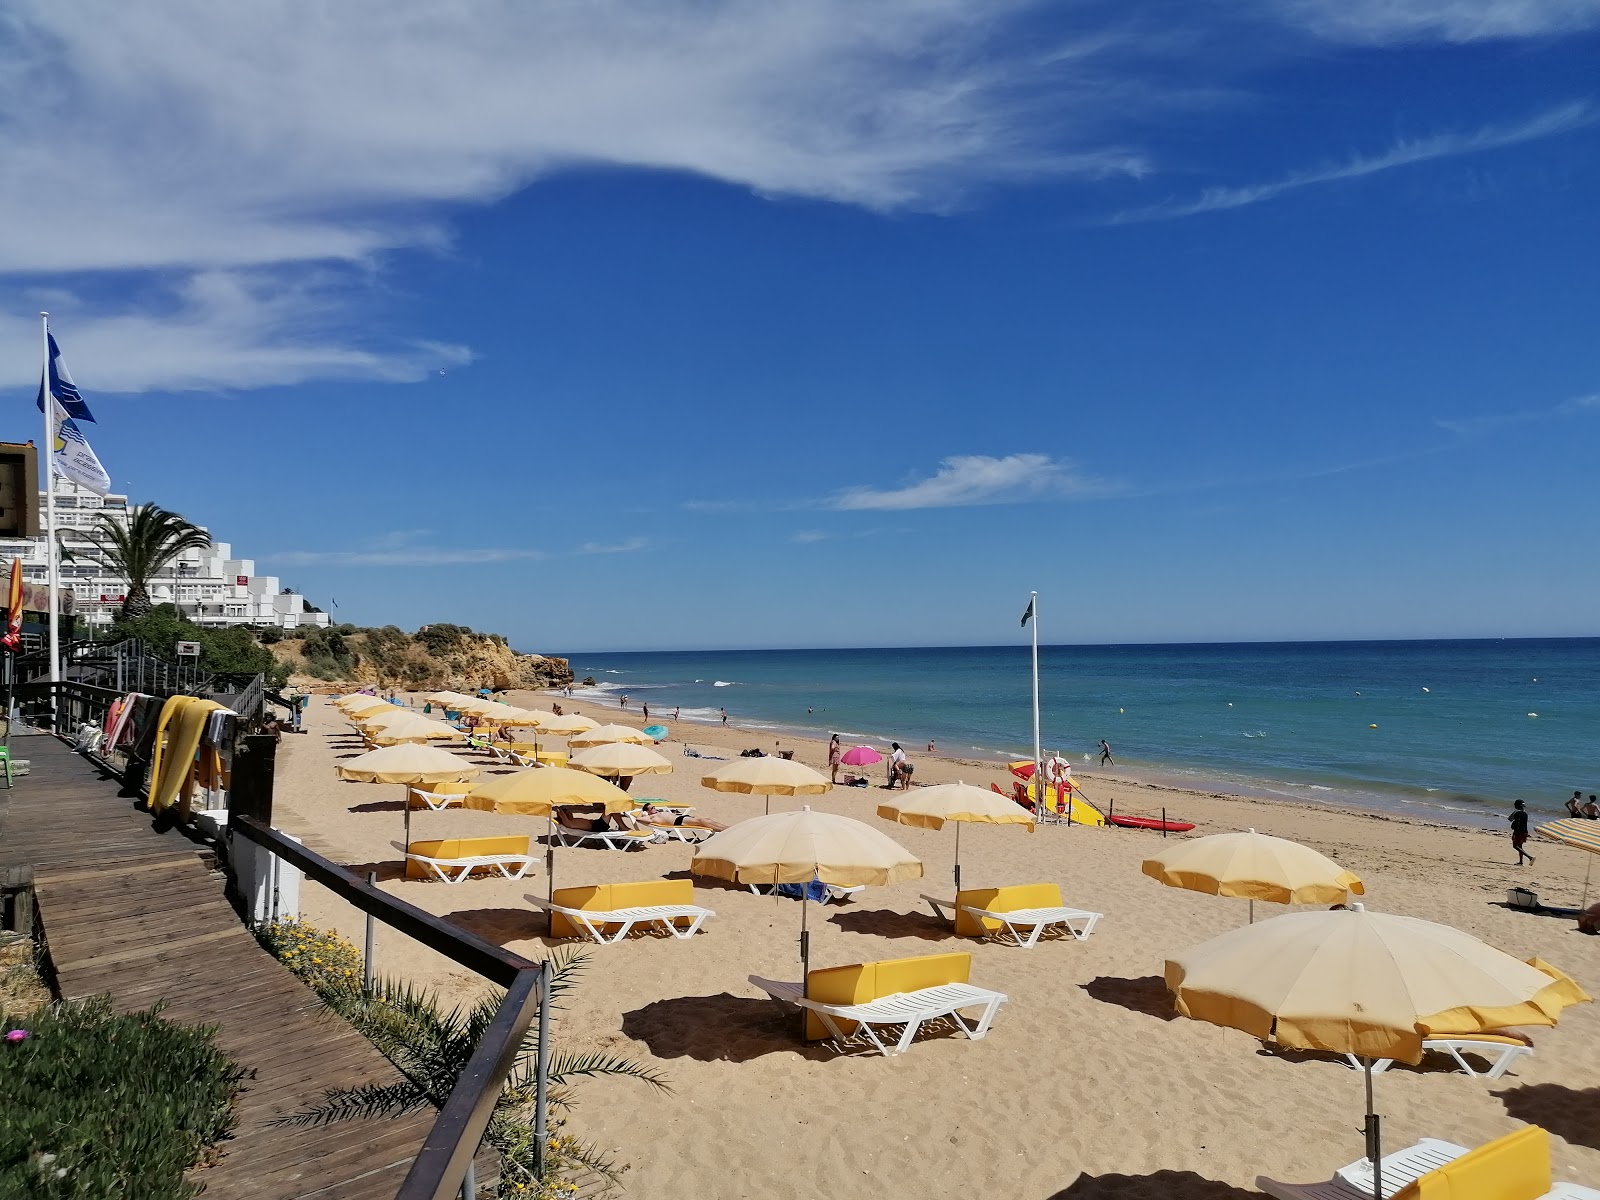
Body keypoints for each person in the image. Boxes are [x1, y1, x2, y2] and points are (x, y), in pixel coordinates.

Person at [1508, 799, 1535, 865]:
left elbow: (1510, 819)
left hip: (1518, 831)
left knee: (1515, 846)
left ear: (1517, 805)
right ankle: (1521, 862)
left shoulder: (1516, 812)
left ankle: (1530, 857)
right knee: (1520, 846)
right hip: (1525, 831)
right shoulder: (1525, 814)